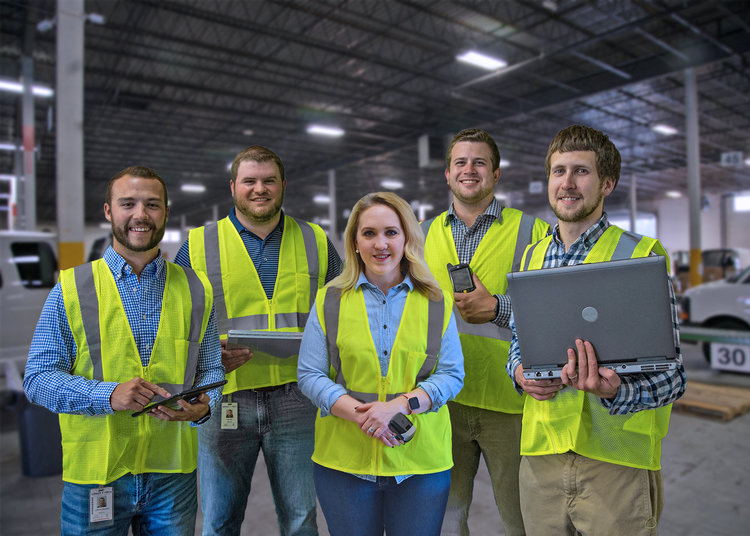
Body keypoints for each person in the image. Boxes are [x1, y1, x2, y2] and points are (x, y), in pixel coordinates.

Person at [507, 124, 687, 536]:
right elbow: (519, 343)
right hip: (541, 457)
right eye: (559, 171)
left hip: (616, 463)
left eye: (581, 172)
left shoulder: (641, 256)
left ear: (607, 183)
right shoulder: (532, 255)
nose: (567, 183)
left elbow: (675, 377)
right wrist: (519, 373)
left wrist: (617, 392)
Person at [24, 166, 224, 536]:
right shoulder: (72, 287)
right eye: (128, 203)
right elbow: (37, 380)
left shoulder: (197, 289)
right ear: (108, 211)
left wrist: (205, 406)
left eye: (151, 204)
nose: (140, 215)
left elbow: (211, 371)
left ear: (165, 212)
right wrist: (107, 395)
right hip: (97, 474)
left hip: (172, 473)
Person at [174, 145, 342, 536]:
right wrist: (201, 356)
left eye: (269, 181)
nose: (259, 189)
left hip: (298, 398)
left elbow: (344, 308)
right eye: (249, 181)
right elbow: (175, 320)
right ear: (233, 187)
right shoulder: (198, 244)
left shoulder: (315, 239)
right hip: (225, 398)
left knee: (301, 518)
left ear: (283, 185)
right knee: (219, 520)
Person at [297, 192, 464, 536]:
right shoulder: (330, 299)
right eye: (369, 233)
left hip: (421, 464)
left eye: (391, 232)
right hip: (344, 462)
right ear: (355, 242)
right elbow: (310, 374)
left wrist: (400, 406)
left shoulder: (436, 301)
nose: (381, 244)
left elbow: (451, 375)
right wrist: (368, 417)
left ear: (406, 238)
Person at [421, 128, 550, 536]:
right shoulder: (419, 234)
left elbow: (550, 313)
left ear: (495, 174)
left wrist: (498, 308)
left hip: (510, 403)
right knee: (445, 517)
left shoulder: (534, 233)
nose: (469, 169)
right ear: (447, 174)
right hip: (443, 401)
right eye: (460, 162)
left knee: (520, 520)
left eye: (479, 162)